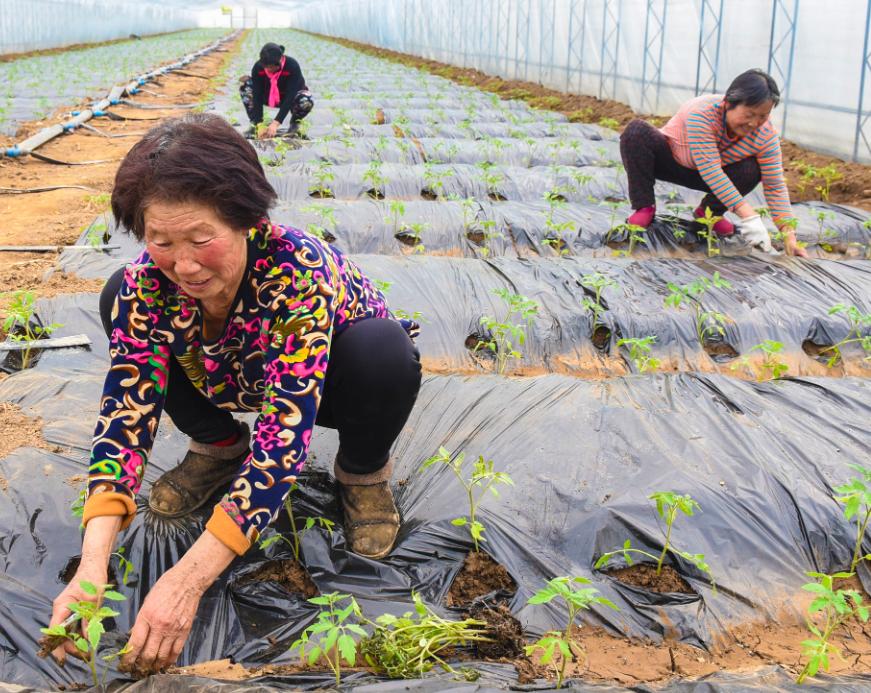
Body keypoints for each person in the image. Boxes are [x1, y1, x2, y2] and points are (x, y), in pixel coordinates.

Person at [48, 113, 421, 675]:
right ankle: (218, 446)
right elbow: (127, 410)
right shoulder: (147, 284)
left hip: (329, 380)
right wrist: (93, 562)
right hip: (224, 371)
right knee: (116, 297)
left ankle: (362, 470)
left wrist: (188, 579)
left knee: (383, 352)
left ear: (247, 221)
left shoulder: (297, 271)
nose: (185, 265)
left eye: (202, 239)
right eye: (161, 242)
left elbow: (283, 438)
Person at [620, 68, 807, 257]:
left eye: (762, 116)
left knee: (752, 168)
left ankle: (709, 214)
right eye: (749, 114)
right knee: (636, 132)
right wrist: (749, 216)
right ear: (727, 104)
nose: (754, 123)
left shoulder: (765, 135)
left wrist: (789, 236)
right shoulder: (702, 113)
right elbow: (710, 169)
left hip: (711, 174)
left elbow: (775, 185)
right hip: (673, 161)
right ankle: (644, 207)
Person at [239, 41, 313, 139]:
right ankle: (254, 125)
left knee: (306, 100)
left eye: (271, 67)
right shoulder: (258, 68)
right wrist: (259, 123)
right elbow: (257, 95)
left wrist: (276, 123)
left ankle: (294, 124)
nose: (268, 69)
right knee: (246, 87)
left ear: (279, 60)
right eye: (266, 66)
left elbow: (291, 96)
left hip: (289, 98)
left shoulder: (292, 66)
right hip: (267, 97)